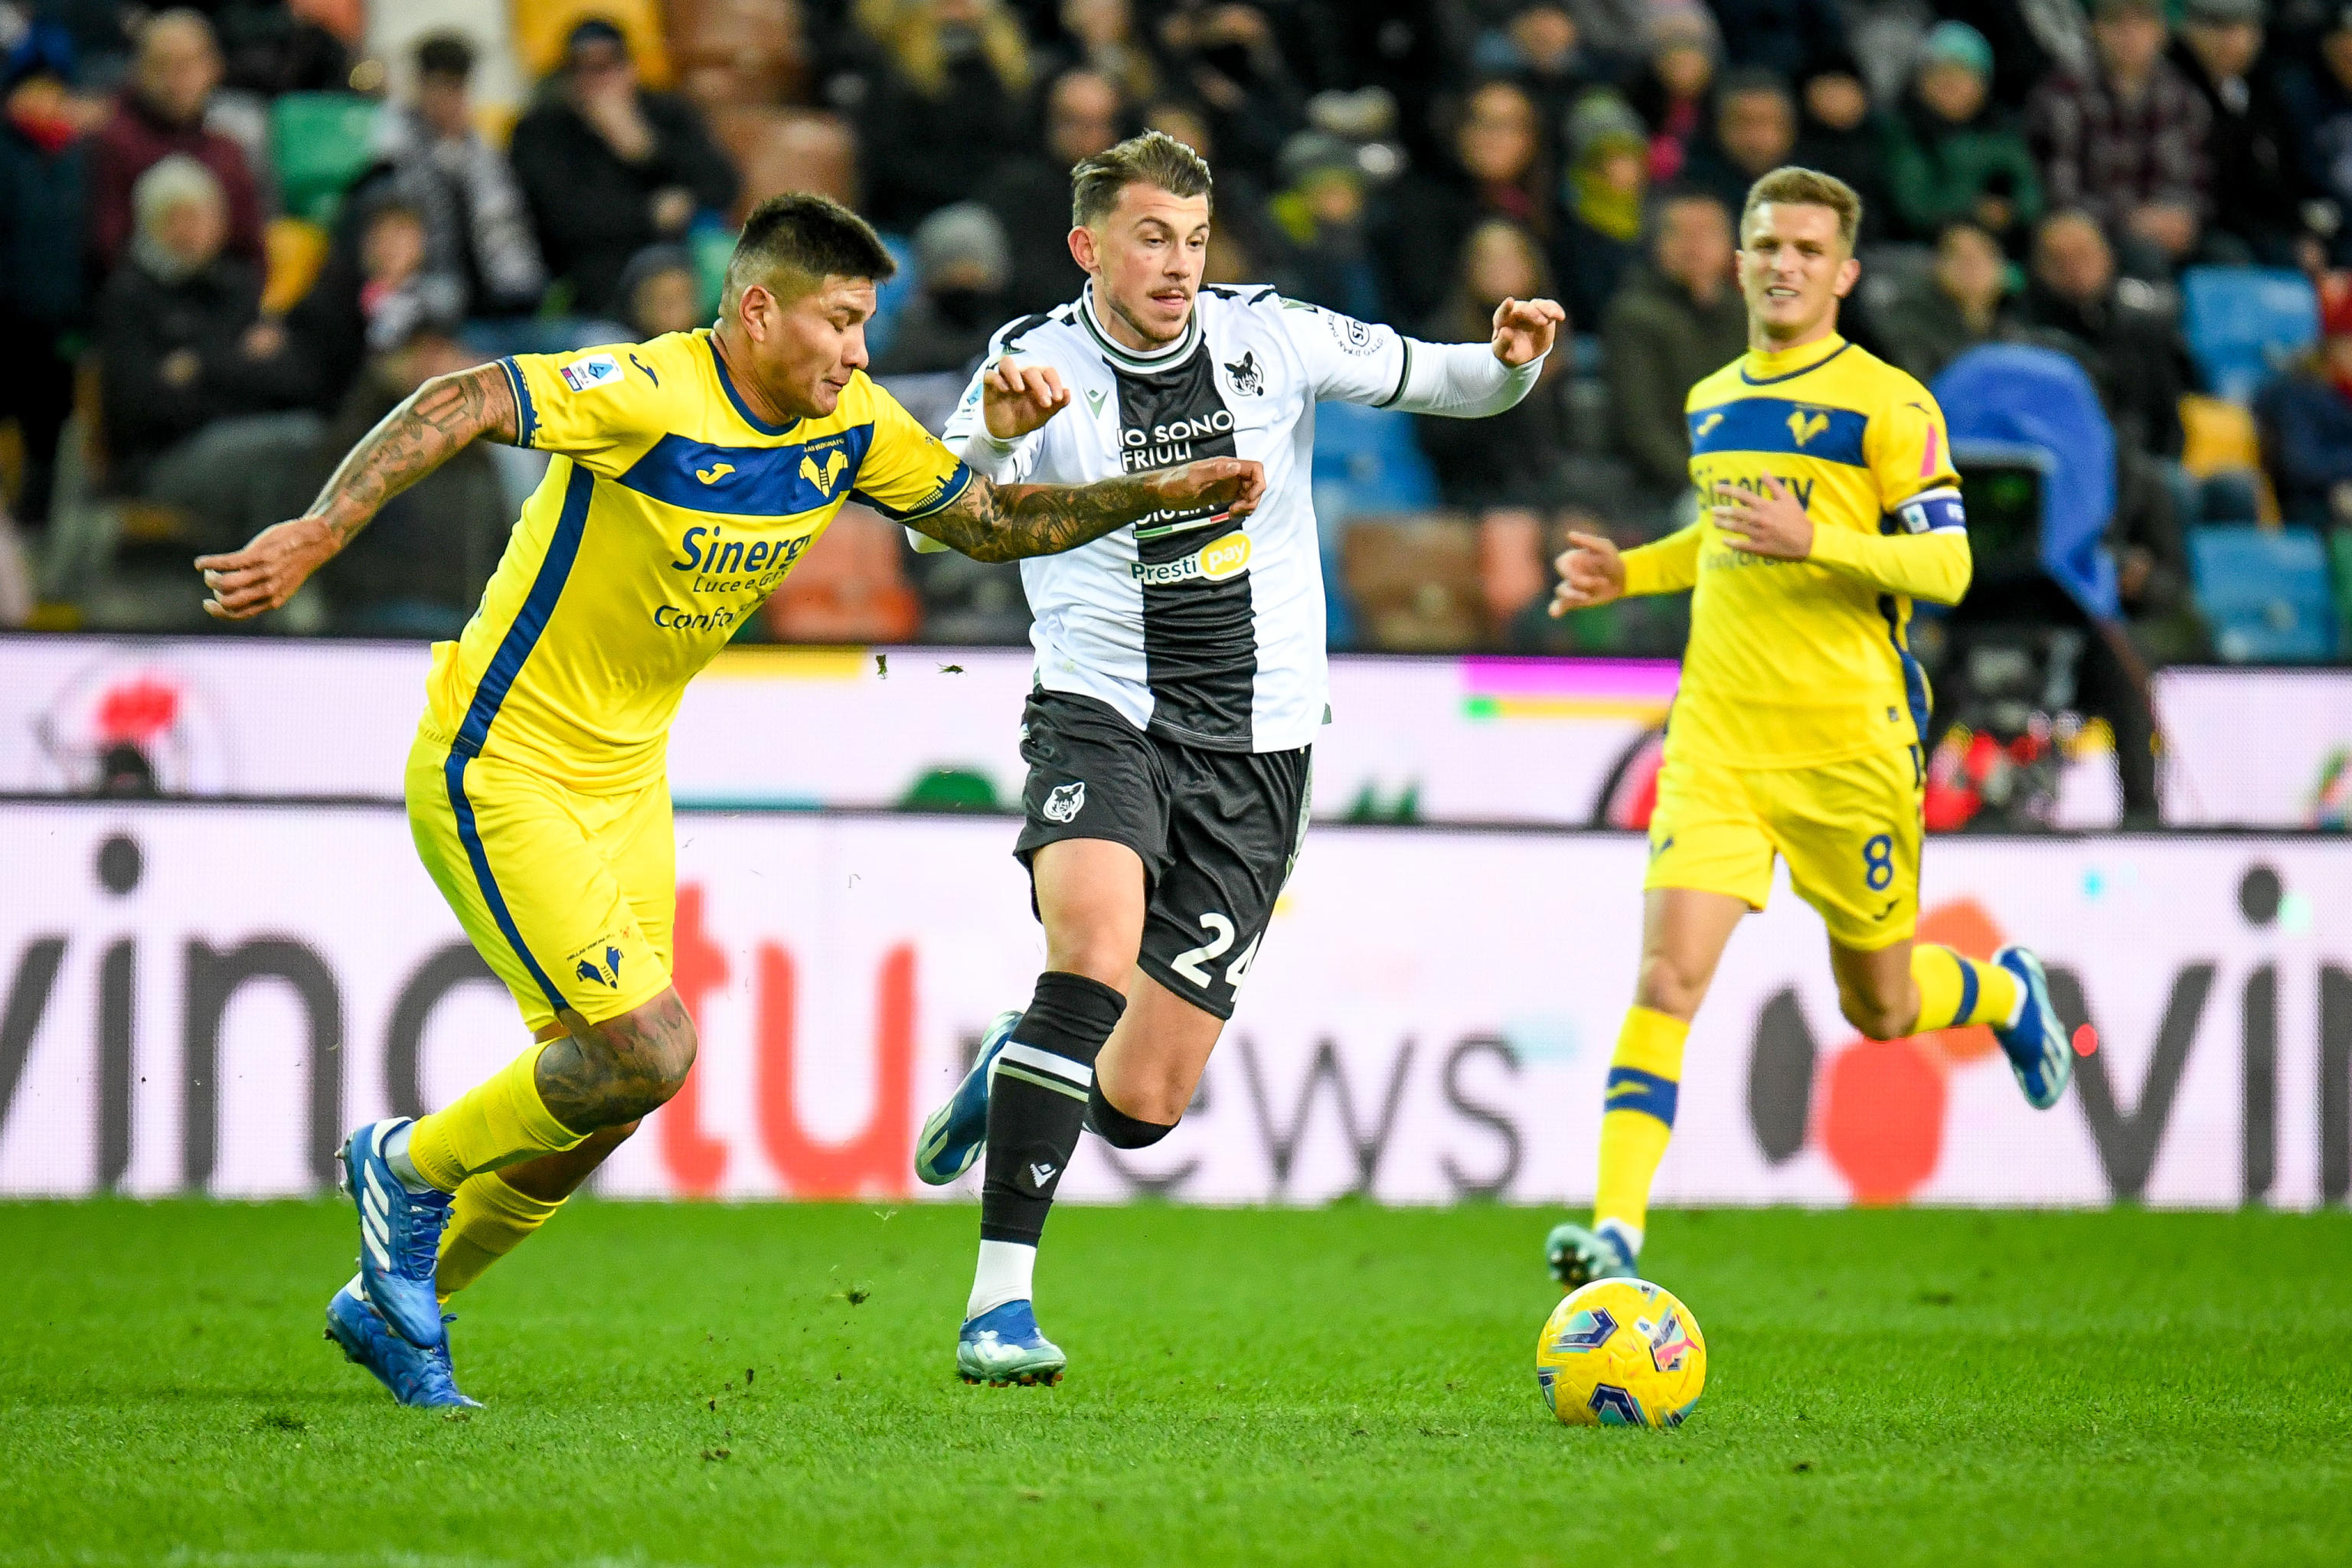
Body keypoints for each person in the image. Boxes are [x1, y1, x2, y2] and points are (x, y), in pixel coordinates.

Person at [190, 191, 1266, 1408]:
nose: (859, 353)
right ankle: (404, 1164)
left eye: (868, 325)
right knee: (647, 1051)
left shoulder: (848, 426)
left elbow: (986, 522)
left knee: (604, 1101)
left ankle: (403, 1302)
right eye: (841, 322)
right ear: (759, 312)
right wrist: (323, 531)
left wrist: (1157, 493)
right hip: (501, 762)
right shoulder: (649, 393)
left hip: (625, 776)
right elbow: (467, 396)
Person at [906, 131, 1561, 1386]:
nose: (1177, 264)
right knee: (1091, 956)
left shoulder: (1273, 335)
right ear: (1087, 246)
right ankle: (998, 1305)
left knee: (1144, 1105)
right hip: (1103, 710)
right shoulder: (1032, 363)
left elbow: (1449, 380)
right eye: (1151, 237)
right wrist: (988, 441)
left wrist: (1513, 362)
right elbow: (945, 525)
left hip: (1260, 745)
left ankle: (1015, 1054)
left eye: (1195, 240)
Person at [1539, 165, 2075, 1292]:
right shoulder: (1711, 398)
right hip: (1719, 743)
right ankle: (1615, 1232)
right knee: (1667, 980)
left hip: (1850, 748)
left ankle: (2006, 993)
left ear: (1844, 273)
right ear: (1740, 260)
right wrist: (1630, 572)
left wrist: (1817, 540)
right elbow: (1724, 539)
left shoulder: (1891, 404)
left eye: (1808, 250)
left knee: (1880, 1005)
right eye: (1769, 244)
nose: (1784, 264)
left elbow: (1949, 565)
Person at [510, 19, 740, 316]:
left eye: (609, 66)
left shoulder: (666, 112)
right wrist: (651, 215)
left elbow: (723, 183)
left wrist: (646, 151)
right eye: (586, 69)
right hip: (595, 273)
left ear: (631, 69)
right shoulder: (541, 131)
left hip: (680, 253)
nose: (600, 81)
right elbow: (563, 219)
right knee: (662, 287)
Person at [355, 31, 547, 319]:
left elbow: (512, 238)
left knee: (596, 336)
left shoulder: (484, 156)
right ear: (421, 87)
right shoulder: (392, 158)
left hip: (504, 304)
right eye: (440, 86)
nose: (449, 100)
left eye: (456, 88)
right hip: (429, 307)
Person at [2027, 0, 2210, 276]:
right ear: (2096, 30)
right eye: (2117, 23)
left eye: (2141, 23)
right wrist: (2130, 220)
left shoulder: (2183, 96)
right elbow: (2060, 191)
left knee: (2228, 257)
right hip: (2093, 232)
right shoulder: (2063, 93)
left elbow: (2196, 179)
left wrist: (2179, 217)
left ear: (2161, 32)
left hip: (2169, 228)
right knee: (2145, 259)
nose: (2130, 35)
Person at [87, 9, 263, 275]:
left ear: (214, 68)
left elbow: (251, 254)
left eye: (190, 63)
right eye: (163, 64)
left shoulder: (227, 153)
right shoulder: (116, 144)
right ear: (139, 71)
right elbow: (107, 248)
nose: (178, 77)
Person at [1601, 187, 1748, 502]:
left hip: (1747, 479)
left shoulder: (1747, 314)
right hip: (1667, 488)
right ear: (1656, 244)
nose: (1694, 246)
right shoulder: (1634, 315)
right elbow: (1643, 430)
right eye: (1679, 233)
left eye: (1707, 233)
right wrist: (1710, 482)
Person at [2012, 208, 2190, 458]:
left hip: (2145, 461)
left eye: (2083, 255)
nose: (2074, 268)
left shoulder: (2143, 327)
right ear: (2039, 268)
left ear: (2107, 256)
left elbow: (2168, 418)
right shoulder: (2025, 337)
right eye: (2059, 259)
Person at [2168, 0, 2318, 266]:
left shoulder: (2263, 91)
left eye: (2242, 29)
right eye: (2219, 28)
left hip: (2264, 229)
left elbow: (2286, 175)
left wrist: (2300, 230)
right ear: (2190, 31)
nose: (2232, 41)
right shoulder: (2176, 90)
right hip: (2205, 225)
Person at [1880, 21, 2043, 251]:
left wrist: (2010, 211)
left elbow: (2031, 194)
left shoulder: (2002, 133)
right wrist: (1975, 210)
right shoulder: (1902, 132)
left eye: (1964, 74)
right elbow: (1915, 206)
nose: (1951, 84)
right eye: (1942, 72)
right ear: (1921, 80)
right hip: (1927, 247)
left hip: (2008, 245)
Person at [981, 66, 1125, 318]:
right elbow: (1029, 282)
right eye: (1076, 123)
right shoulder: (1018, 189)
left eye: (1101, 124)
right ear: (1049, 121)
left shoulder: (1129, 191)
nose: (1091, 136)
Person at [872, 201, 1011, 374]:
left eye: (976, 271)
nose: (964, 278)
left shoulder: (1014, 338)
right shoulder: (906, 342)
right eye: (953, 268)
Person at [1873, 218, 2011, 383]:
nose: (1971, 266)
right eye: (1958, 256)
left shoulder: (2013, 335)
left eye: (1982, 255)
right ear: (1938, 265)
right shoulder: (1910, 326)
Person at [1682, 69, 1802, 224]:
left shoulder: (1817, 188)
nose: (1755, 138)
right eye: (1742, 123)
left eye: (1766, 123)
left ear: (1790, 127)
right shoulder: (1691, 185)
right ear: (1719, 127)